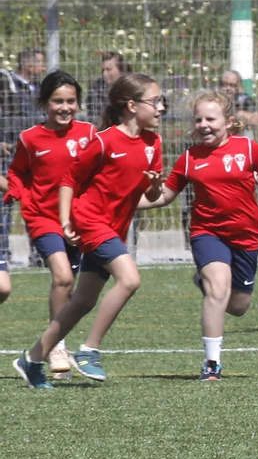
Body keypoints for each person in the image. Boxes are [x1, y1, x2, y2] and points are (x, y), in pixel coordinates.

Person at [13, 74, 164, 388]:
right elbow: (70, 178)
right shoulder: (104, 140)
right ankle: (89, 351)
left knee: (81, 302)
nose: (161, 107)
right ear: (132, 106)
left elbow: (149, 197)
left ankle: (32, 359)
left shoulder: (154, 143)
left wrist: (154, 185)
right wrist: (66, 218)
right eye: (156, 101)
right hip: (91, 222)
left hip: (115, 228)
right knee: (130, 279)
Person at [140, 92, 258, 380]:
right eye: (198, 119)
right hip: (207, 233)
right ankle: (211, 364)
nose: (204, 124)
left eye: (211, 119)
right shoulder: (189, 158)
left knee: (238, 305)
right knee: (218, 289)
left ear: (229, 122)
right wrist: (127, 201)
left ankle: (205, 283)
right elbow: (166, 195)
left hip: (245, 237)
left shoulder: (247, 148)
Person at [4, 70, 95, 378]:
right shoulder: (30, 138)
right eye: (58, 101)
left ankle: (48, 346)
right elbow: (17, 172)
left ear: (78, 103)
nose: (65, 107)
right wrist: (15, 192)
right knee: (63, 278)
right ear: (44, 103)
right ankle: (57, 346)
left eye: (71, 101)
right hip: (43, 217)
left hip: (80, 220)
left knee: (71, 286)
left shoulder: (89, 133)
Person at [0, 48, 47, 255]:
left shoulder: (40, 89)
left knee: (39, 202)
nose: (43, 68)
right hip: (10, 152)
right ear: (29, 65)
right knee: (5, 202)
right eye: (40, 63)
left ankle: (40, 253)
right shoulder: (6, 85)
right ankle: (3, 252)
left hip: (35, 154)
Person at [82, 51, 130, 124]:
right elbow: (93, 115)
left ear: (121, 70)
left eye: (109, 69)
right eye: (103, 70)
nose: (104, 74)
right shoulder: (96, 88)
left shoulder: (131, 87)